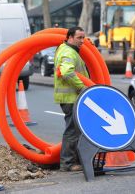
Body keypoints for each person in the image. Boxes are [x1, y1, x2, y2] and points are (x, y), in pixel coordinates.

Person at [53, 26, 89, 172]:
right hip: (71, 98)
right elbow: (67, 72)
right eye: (79, 38)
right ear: (70, 37)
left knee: (76, 130)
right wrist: (82, 87)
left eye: (83, 37)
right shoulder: (68, 52)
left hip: (71, 98)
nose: (82, 41)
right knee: (72, 131)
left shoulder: (66, 49)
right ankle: (67, 164)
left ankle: (76, 161)